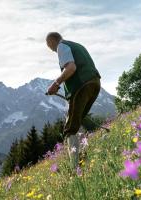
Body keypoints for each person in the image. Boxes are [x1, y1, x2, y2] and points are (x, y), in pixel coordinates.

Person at [46, 32, 101, 169]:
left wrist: (56, 83)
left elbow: (71, 67)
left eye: (49, 45)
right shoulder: (77, 45)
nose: (50, 49)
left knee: (70, 129)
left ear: (52, 41)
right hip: (95, 83)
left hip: (81, 86)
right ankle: (83, 158)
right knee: (77, 122)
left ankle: (75, 167)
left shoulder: (61, 47)